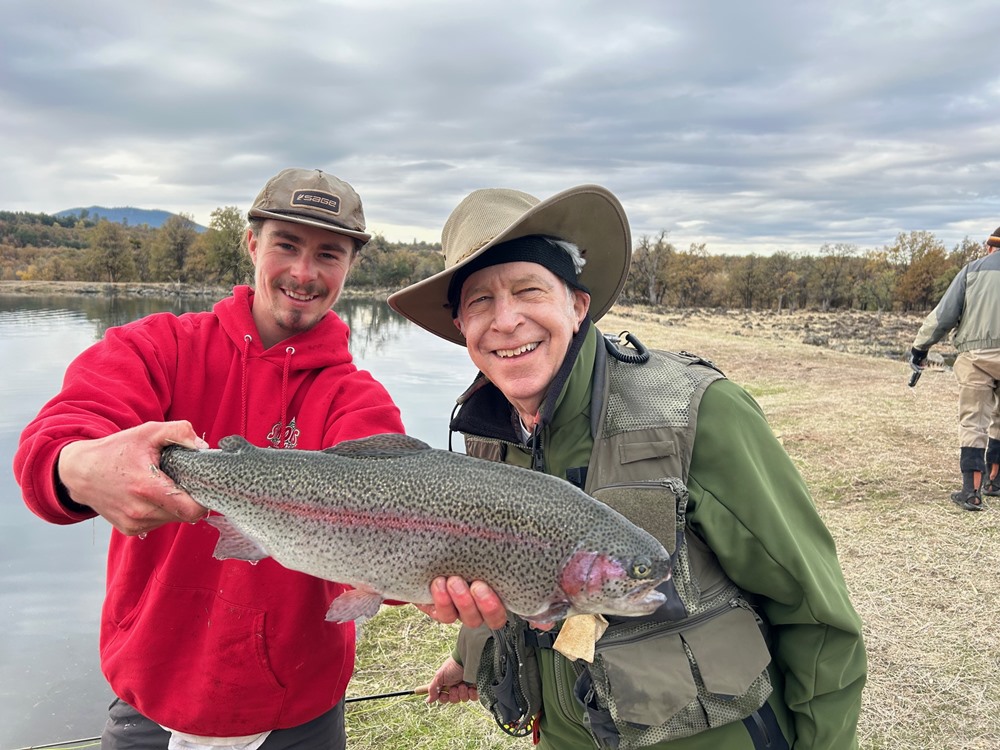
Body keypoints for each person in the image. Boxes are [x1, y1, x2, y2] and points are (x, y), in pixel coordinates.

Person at [388, 185, 867, 749]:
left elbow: (815, 614)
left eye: (528, 289)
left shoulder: (698, 411)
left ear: (577, 304)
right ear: (462, 328)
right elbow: (508, 576)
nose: (506, 320)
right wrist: (469, 660)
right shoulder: (487, 434)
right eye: (480, 302)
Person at [14, 168, 405, 749]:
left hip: (298, 712)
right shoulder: (158, 346)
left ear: (351, 266)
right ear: (252, 243)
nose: (303, 272)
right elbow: (56, 440)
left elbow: (393, 549)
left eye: (328, 254)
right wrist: (77, 466)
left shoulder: (360, 401)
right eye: (286, 246)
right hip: (148, 697)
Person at [910, 226, 1000, 512]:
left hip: (976, 356)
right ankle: (995, 482)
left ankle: (972, 492)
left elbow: (944, 315)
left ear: (990, 247)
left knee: (974, 421)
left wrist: (920, 348)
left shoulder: (972, 271)